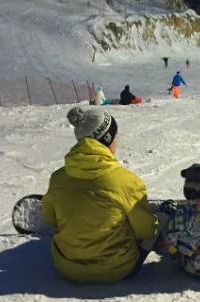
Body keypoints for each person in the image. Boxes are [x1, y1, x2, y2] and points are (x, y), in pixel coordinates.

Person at [42, 108, 159, 284]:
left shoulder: (58, 178)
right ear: (107, 139)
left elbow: (49, 219)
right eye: (115, 135)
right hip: (117, 269)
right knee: (154, 221)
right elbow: (147, 230)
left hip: (66, 268)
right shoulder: (126, 182)